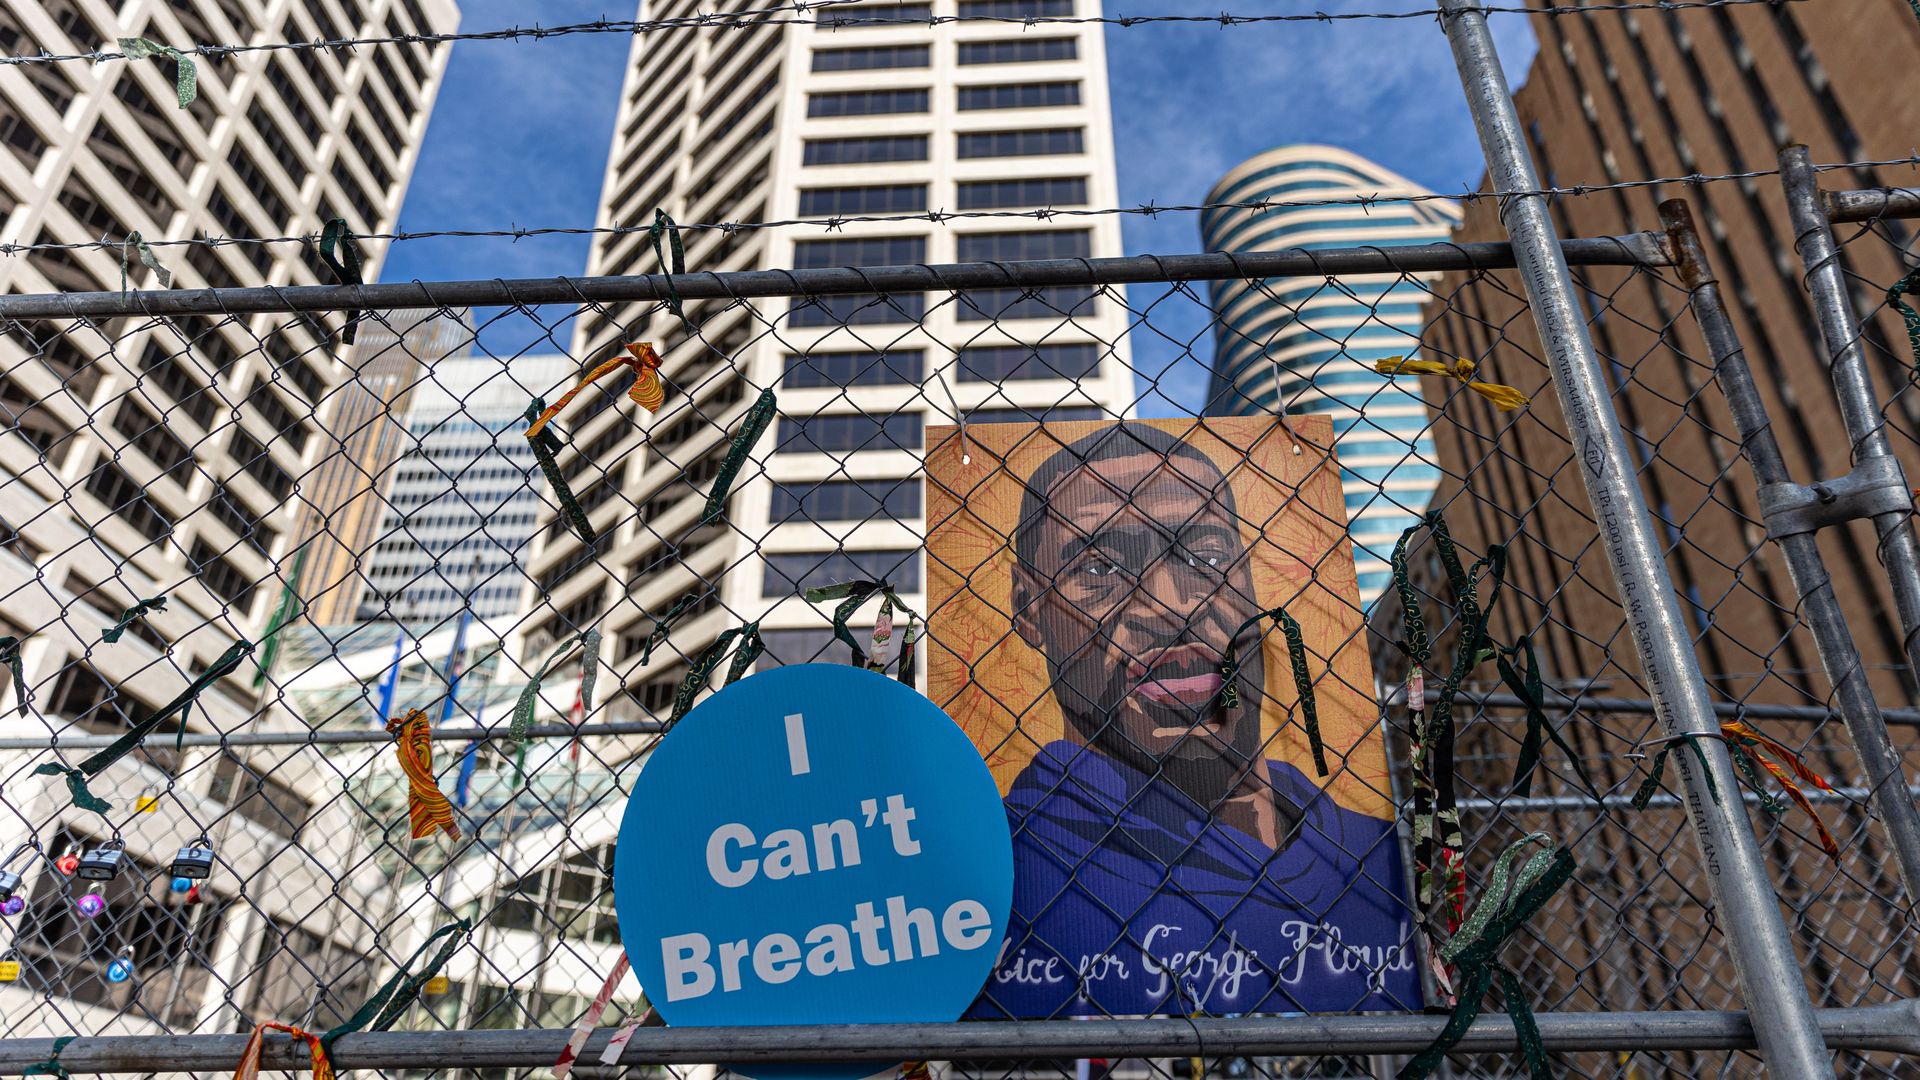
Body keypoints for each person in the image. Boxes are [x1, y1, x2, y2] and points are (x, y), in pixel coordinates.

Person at [975, 422, 1419, 1018]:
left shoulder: (1383, 857)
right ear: (1030, 611)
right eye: (1101, 571)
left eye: (1206, 555)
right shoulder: (988, 879)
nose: (1172, 606)